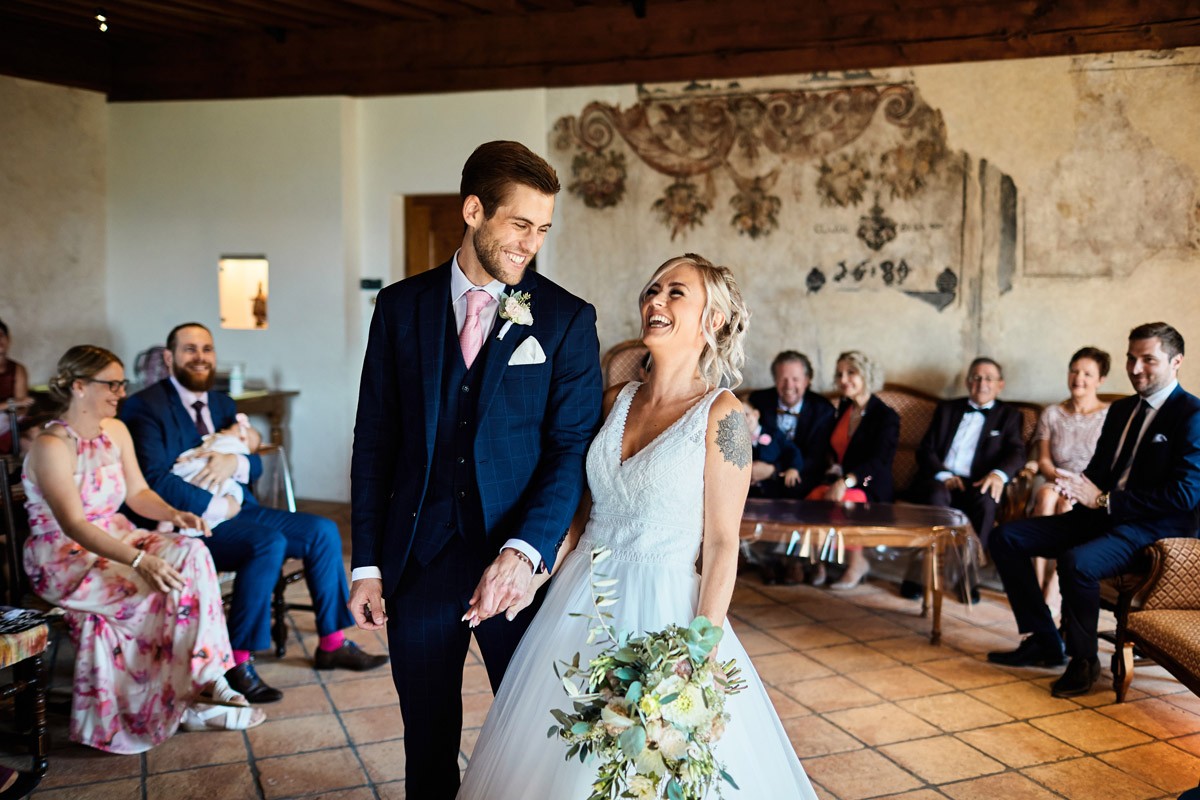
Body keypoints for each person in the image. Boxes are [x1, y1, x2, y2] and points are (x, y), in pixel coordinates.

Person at [457, 254, 816, 799]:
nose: (656, 301)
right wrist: (536, 575)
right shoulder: (613, 401)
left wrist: (701, 653)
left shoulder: (726, 419)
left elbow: (721, 546)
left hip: (665, 609)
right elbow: (582, 513)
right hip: (580, 598)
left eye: (677, 293)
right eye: (653, 290)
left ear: (712, 319)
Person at [348, 140, 603, 800]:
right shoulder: (400, 308)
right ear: (472, 211)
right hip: (419, 563)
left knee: (540, 736)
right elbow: (375, 439)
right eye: (520, 225)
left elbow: (569, 449)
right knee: (425, 739)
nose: (530, 245)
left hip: (515, 569)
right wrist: (368, 564)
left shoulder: (567, 319)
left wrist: (523, 556)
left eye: (542, 230)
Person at [122, 323, 387, 705]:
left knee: (322, 531)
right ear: (169, 358)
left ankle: (331, 642)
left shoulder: (222, 403)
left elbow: (257, 466)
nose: (200, 357)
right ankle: (237, 661)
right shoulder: (145, 406)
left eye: (207, 349)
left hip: (239, 510)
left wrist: (234, 462)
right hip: (185, 523)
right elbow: (153, 480)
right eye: (189, 349)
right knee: (267, 542)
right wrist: (218, 506)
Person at [21, 345, 265, 753]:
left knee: (191, 552)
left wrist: (177, 514)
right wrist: (138, 559)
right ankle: (179, 697)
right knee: (149, 589)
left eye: (123, 383)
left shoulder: (114, 431)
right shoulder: (51, 445)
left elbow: (137, 494)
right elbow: (74, 524)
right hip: (64, 556)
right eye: (112, 384)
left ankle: (207, 680)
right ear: (79, 387)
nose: (121, 392)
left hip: (117, 534)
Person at [988, 322, 1200, 697]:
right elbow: (1101, 471)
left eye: (1148, 360)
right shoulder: (1120, 411)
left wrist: (1106, 501)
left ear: (1176, 361)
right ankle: (1043, 639)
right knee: (1006, 537)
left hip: (1151, 532)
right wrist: (1076, 486)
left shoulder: (1192, 414)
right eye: (1131, 359)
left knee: (1077, 563)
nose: (1136, 369)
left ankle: (1084, 662)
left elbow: (1185, 494)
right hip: (1098, 516)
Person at [902, 357, 1026, 601]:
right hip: (941, 480)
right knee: (935, 496)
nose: (982, 383)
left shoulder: (1009, 415)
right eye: (976, 377)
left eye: (989, 378)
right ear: (968, 382)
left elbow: (1017, 452)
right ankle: (917, 575)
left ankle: (967, 577)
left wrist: (998, 474)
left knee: (987, 501)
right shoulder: (947, 408)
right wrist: (944, 474)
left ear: (1000, 385)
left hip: (979, 483)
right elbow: (925, 450)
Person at [806, 351, 899, 590]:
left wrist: (845, 482)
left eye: (851, 373)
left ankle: (857, 564)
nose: (843, 379)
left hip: (870, 485)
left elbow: (879, 461)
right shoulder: (842, 409)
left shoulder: (886, 416)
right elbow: (833, 448)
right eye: (839, 374)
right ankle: (818, 563)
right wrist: (832, 467)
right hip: (838, 479)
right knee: (814, 497)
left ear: (866, 375)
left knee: (846, 501)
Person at [1026, 347, 1111, 611]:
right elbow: (1044, 461)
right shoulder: (1052, 413)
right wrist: (1059, 478)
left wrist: (1079, 487)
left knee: (1066, 506)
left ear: (1100, 380)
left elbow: (1110, 463)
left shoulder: (1110, 415)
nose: (1079, 378)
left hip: (1089, 485)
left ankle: (1054, 586)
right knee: (1045, 495)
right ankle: (1035, 584)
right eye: (1074, 371)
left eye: (1088, 373)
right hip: (1057, 477)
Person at [748, 351, 835, 497]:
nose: (789, 386)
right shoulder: (759, 401)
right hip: (759, 482)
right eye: (783, 379)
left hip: (802, 480)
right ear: (775, 380)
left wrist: (774, 470)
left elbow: (817, 458)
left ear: (806, 381)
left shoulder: (823, 409)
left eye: (796, 379)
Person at [161, 413, 262, 531]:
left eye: (231, 429)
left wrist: (191, 457)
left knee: (209, 485)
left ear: (242, 438)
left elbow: (211, 454)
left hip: (210, 473)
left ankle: (176, 519)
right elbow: (203, 449)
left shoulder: (232, 443)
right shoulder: (219, 437)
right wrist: (189, 456)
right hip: (200, 474)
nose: (224, 429)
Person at [740, 395, 800, 498]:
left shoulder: (774, 434)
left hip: (774, 489)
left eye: (746, 414)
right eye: (738, 417)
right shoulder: (736, 442)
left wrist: (793, 468)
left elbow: (792, 451)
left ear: (756, 414)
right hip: (749, 493)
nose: (743, 420)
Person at [0, 318, 31, 455]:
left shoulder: (17, 369)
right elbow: (16, 402)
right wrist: (9, 404)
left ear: (8, 338)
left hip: (11, 420)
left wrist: (18, 410)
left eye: (1, 335)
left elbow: (22, 403)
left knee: (34, 434)